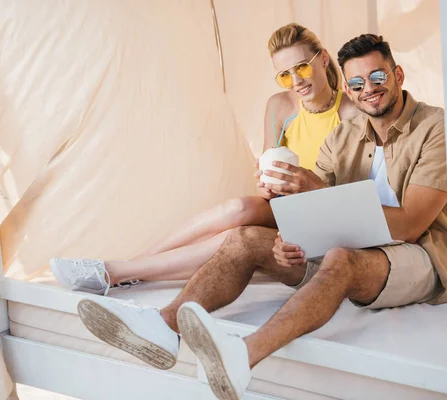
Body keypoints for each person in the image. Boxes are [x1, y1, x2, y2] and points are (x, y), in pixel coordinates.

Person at [76, 33, 447, 400]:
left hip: (418, 256)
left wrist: (315, 192)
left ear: (398, 76)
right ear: (349, 89)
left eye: (377, 77)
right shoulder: (345, 135)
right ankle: (163, 325)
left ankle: (243, 355)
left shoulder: (436, 127)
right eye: (356, 82)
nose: (367, 88)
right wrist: (294, 240)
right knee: (243, 238)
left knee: (340, 259)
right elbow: (319, 209)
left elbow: (411, 224)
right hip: (355, 243)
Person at [49, 23, 358, 293]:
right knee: (239, 206)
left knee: (236, 236)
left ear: (323, 59)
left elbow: (354, 192)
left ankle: (117, 272)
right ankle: (134, 265)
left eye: (302, 67)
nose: (296, 82)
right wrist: (267, 182)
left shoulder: (351, 113)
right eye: (284, 75)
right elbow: (268, 175)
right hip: (283, 206)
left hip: (321, 214)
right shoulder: (280, 106)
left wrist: (305, 185)